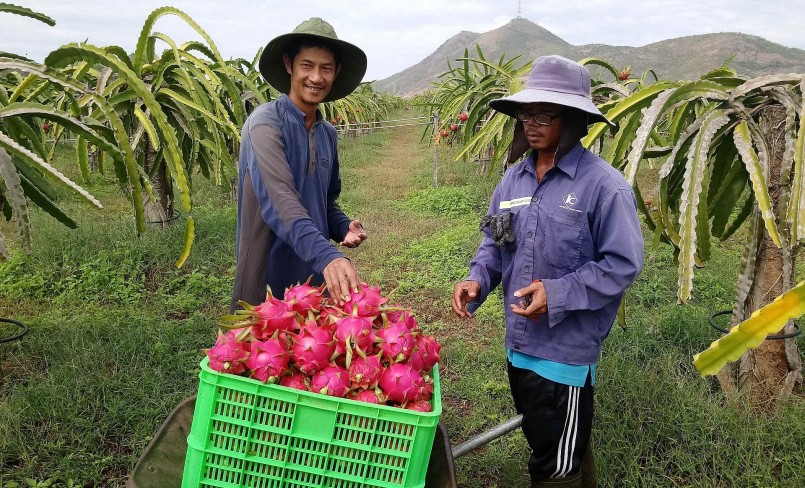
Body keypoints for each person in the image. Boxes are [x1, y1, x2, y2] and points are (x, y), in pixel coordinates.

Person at [451, 55, 644, 488]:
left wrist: (557, 293)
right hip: (518, 344)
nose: (530, 124)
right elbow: (495, 243)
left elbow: (622, 264)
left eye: (544, 114)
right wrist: (476, 280)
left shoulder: (604, 187)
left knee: (554, 468)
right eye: (525, 113)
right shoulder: (513, 181)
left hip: (565, 352)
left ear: (572, 120)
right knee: (549, 442)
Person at [231, 18, 368, 312]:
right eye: (307, 65)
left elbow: (325, 201)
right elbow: (281, 202)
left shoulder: (327, 134)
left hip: (316, 283)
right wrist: (329, 255)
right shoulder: (265, 125)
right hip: (266, 287)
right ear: (289, 64)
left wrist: (342, 226)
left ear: (336, 73)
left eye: (326, 68)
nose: (316, 77)